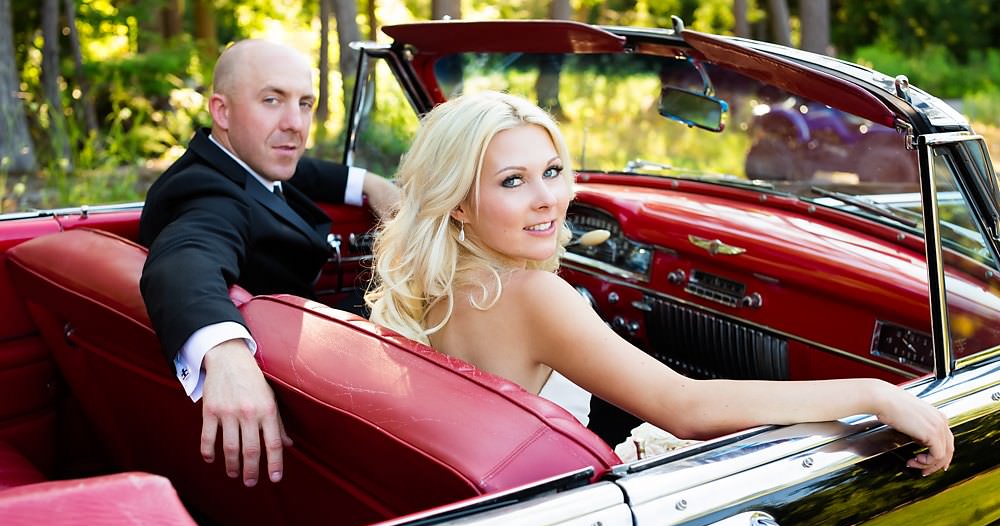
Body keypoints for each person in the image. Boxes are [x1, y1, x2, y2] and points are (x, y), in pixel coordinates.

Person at [365, 91, 954, 475]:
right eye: (512, 182)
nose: (550, 198)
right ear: (459, 205)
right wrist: (873, 392)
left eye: (551, 171)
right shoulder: (533, 296)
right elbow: (685, 406)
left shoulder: (428, 282)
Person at [139, 39, 398, 487]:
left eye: (305, 104)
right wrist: (226, 355)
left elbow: (302, 171)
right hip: (309, 384)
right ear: (222, 111)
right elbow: (184, 261)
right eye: (272, 100)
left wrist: (369, 183)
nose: (295, 124)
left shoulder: (233, 160)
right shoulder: (210, 196)